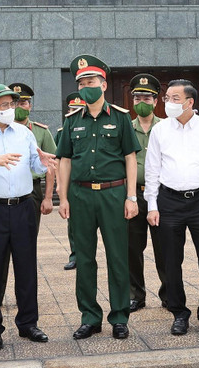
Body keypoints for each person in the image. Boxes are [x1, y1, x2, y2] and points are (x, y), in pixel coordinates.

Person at [0, 84, 55, 350]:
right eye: (4, 105)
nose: (9, 110)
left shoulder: (24, 133)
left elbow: (34, 165)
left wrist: (43, 162)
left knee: (27, 267)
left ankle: (28, 324)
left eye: (12, 105)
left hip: (23, 206)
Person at [57, 55, 139, 341]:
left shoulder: (120, 117)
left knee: (118, 257)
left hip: (113, 194)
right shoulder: (71, 121)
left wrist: (131, 196)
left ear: (103, 85)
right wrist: (63, 197)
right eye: (81, 83)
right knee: (84, 258)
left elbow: (130, 157)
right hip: (80, 195)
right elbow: (64, 160)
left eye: (90, 82)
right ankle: (89, 317)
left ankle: (119, 317)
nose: (85, 87)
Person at [145, 79, 199, 336]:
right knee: (171, 262)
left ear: (190, 102)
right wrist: (152, 205)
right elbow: (152, 170)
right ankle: (179, 312)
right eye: (166, 98)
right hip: (169, 201)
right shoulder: (160, 130)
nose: (168, 102)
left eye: (174, 98)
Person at [127, 73, 167, 311]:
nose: (142, 101)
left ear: (155, 101)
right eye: (137, 97)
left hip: (161, 196)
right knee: (132, 248)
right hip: (134, 195)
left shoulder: (166, 127)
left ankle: (169, 293)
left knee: (164, 247)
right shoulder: (125, 127)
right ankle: (136, 295)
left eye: (146, 97)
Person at [8, 83, 56, 233]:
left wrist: (48, 197)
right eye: (14, 104)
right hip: (5, 186)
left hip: (32, 189)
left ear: (30, 106)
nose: (18, 107)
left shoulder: (41, 132)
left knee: (28, 236)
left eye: (23, 103)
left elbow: (51, 165)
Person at [55, 92, 84, 271]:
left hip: (88, 180)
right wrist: (61, 185)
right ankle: (75, 255)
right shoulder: (62, 132)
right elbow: (59, 160)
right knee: (73, 223)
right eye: (73, 109)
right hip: (72, 182)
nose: (76, 112)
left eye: (79, 109)